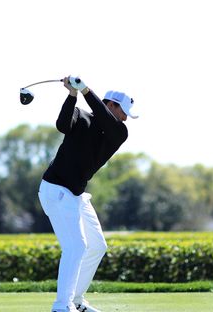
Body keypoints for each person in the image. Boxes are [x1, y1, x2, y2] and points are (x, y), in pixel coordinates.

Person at [38, 75, 138, 312]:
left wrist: (85, 90)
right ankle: (61, 306)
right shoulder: (81, 115)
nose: (125, 117)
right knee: (76, 247)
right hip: (56, 188)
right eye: (123, 111)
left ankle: (76, 300)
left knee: (97, 246)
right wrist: (73, 94)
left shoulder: (119, 132)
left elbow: (104, 118)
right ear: (111, 104)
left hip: (75, 194)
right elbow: (63, 124)